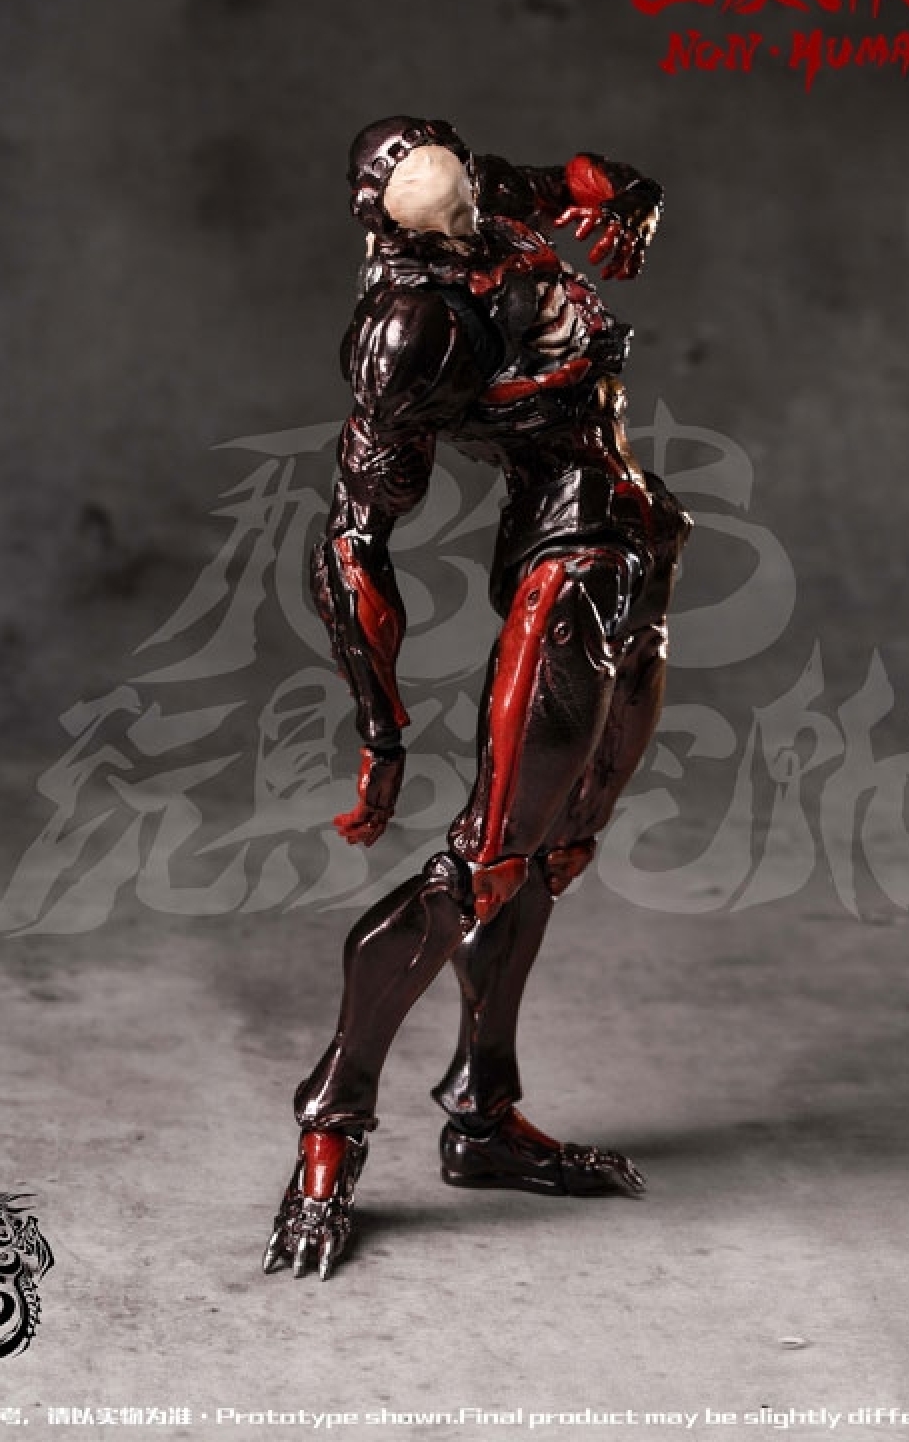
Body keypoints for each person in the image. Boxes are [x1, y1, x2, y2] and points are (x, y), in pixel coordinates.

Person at [264, 116, 691, 1280]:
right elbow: (353, 542)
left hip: (635, 554)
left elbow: (587, 181)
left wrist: (623, 200)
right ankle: (330, 1127)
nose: (453, 190)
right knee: (483, 864)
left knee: (551, 853)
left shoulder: (481, 199)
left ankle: (483, 1113)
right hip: (566, 570)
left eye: (446, 168)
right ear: (385, 217)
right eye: (418, 184)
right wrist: (380, 733)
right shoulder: (415, 330)